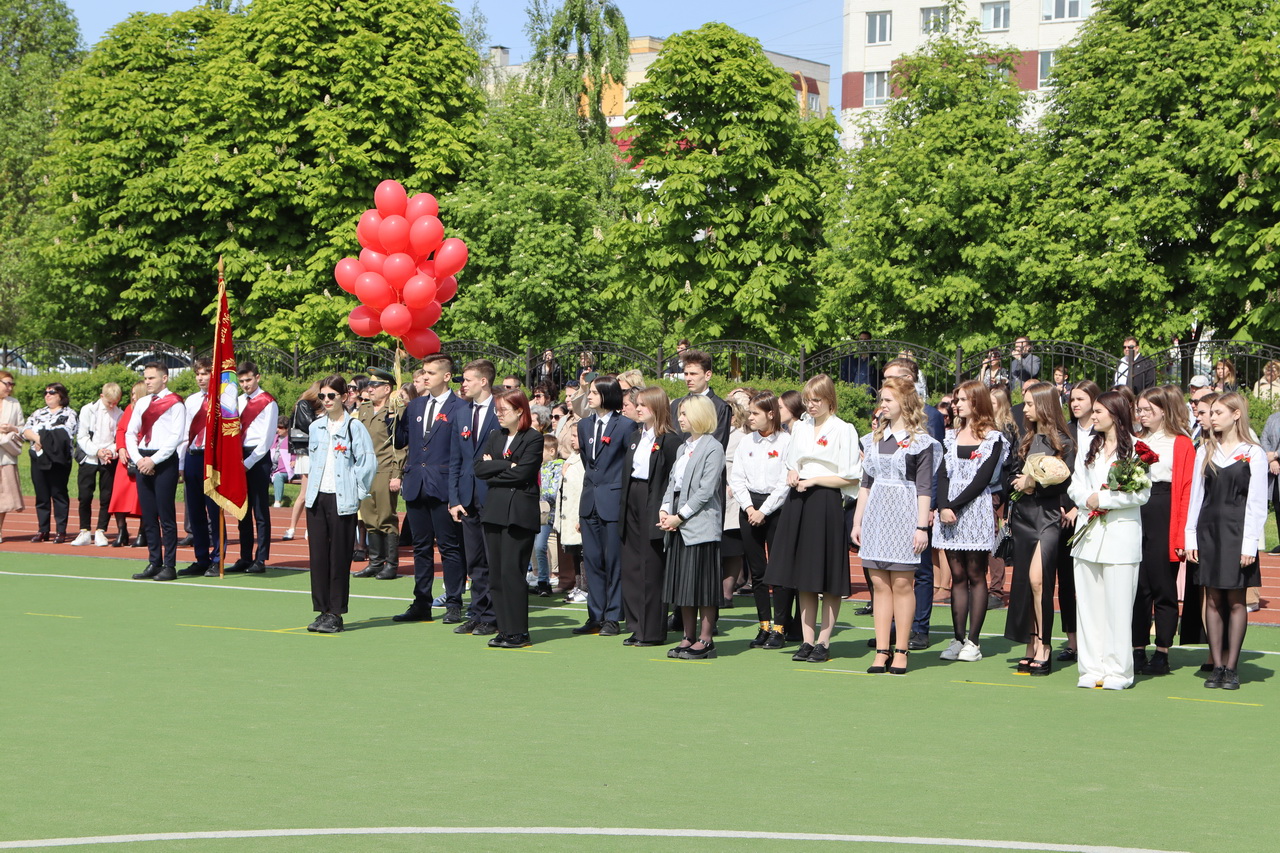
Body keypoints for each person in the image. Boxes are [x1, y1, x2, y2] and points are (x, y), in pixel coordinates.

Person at [765, 374, 862, 662]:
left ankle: (823, 641)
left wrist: (815, 480)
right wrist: (793, 472)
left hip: (825, 501)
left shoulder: (843, 429)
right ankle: (807, 641)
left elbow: (850, 474)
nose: (810, 406)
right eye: (807, 400)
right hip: (799, 500)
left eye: (816, 400)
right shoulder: (801, 429)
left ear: (830, 400)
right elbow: (791, 462)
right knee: (803, 576)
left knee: (828, 575)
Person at [1068, 390, 1151, 690]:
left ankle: (1118, 672)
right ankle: (1091, 668)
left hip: (1120, 537)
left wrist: (1103, 498)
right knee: (1089, 607)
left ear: (1114, 414)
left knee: (1118, 607)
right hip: (1088, 534)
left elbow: (1141, 493)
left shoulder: (1138, 449)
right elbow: (1075, 483)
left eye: (1099, 411)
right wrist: (1087, 499)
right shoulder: (1089, 446)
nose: (1093, 416)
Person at [853, 376, 936, 675]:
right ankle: (881, 650)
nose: (883, 405)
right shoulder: (872, 438)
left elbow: (924, 487)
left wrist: (921, 527)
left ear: (904, 403)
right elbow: (866, 483)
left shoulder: (920, 442)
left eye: (888, 400)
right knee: (878, 584)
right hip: (876, 514)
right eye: (882, 400)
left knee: (902, 583)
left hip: (904, 514)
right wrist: (857, 521)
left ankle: (901, 651)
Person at [1185, 392, 1267, 690]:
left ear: (1235, 415)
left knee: (1235, 600)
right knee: (1212, 597)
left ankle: (1232, 668)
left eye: (1218, 412)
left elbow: (1257, 503)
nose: (1211, 417)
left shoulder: (1252, 452)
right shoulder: (1205, 450)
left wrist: (1249, 544)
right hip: (1208, 530)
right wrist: (1190, 536)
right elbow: (1197, 497)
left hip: (1236, 531)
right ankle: (1216, 665)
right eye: (1212, 412)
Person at [1003, 382, 1075, 676]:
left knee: (1039, 580)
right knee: (1024, 583)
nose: (1025, 409)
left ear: (1045, 405)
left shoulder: (1065, 443)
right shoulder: (1024, 439)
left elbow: (1065, 484)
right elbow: (1008, 476)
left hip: (1047, 517)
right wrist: (1018, 483)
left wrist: (1033, 484)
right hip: (1022, 517)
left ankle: (1045, 645)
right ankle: (1030, 645)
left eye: (1030, 404)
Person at [394, 353, 470, 623]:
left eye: (431, 373)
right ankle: (421, 602)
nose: (425, 377)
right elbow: (402, 441)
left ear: (446, 377)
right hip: (416, 484)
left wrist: (458, 493)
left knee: (449, 547)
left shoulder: (460, 408)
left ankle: (453, 601)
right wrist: (394, 415)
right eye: (423, 372)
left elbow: (462, 452)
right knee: (420, 547)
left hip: (444, 486)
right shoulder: (414, 407)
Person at [935, 381, 1004, 663]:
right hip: (949, 512)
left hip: (974, 509)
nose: (957, 405)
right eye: (956, 400)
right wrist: (942, 506)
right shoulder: (950, 436)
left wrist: (954, 505)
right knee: (957, 575)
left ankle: (973, 642)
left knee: (976, 574)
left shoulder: (993, 438)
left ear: (977, 402)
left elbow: (982, 479)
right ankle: (958, 637)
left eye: (962, 400)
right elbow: (942, 475)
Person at [304, 375, 377, 633]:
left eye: (331, 396)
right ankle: (322, 610)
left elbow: (367, 463)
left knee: (338, 558)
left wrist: (357, 491)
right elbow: (313, 464)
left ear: (344, 397)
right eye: (322, 396)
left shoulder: (353, 427)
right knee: (319, 557)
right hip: (317, 498)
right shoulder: (316, 427)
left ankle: (336, 612)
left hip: (342, 499)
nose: (326, 401)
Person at [1132, 385, 1196, 675]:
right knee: (1137, 584)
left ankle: (1162, 650)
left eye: (1148, 410)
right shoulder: (1135, 439)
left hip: (1165, 508)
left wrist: (1181, 534)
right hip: (1137, 507)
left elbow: (1186, 491)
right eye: (1140, 409)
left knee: (1162, 584)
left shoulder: (1180, 442)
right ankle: (1136, 648)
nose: (1142, 414)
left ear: (1163, 410)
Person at [882, 357, 944, 651]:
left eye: (893, 378)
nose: (886, 385)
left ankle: (919, 627)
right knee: (889, 569)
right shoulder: (882, 419)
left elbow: (932, 468)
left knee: (918, 568)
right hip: (888, 504)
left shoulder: (930, 416)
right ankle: (892, 628)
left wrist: (929, 507)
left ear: (909, 380)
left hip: (915, 503)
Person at [659, 395, 727, 659]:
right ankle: (687, 637)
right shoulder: (682, 447)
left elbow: (706, 491)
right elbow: (672, 484)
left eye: (685, 413)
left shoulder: (713, 447)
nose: (680, 418)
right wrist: (666, 509)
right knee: (682, 585)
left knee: (703, 585)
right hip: (679, 523)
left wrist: (679, 516)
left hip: (699, 527)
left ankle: (706, 639)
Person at [475, 388, 544, 648]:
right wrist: (506, 465)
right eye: (497, 410)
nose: (499, 415)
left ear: (519, 410)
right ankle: (504, 629)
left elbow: (523, 474)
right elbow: (479, 469)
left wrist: (497, 465)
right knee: (496, 575)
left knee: (512, 573)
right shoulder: (495, 436)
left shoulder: (533, 438)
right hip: (494, 512)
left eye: (504, 410)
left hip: (518, 514)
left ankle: (518, 631)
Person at [573, 375, 636, 636]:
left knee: (614, 562)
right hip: (590, 502)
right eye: (590, 392)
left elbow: (627, 466)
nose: (589, 396)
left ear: (608, 396)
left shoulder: (626, 426)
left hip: (613, 501)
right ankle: (595, 615)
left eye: (595, 393)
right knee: (592, 561)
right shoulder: (584, 425)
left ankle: (612, 616)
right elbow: (589, 464)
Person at [619, 386, 680, 647]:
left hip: (654, 501)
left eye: (644, 404)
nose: (638, 408)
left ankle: (651, 630)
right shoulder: (634, 436)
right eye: (637, 404)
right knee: (631, 564)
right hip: (632, 497)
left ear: (656, 407)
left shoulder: (669, 439)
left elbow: (672, 478)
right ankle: (636, 626)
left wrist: (666, 509)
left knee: (651, 567)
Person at [729, 391, 791, 648]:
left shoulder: (786, 441)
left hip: (775, 509)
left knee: (779, 570)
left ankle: (780, 626)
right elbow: (737, 477)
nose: (750, 417)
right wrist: (748, 507)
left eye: (755, 413)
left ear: (771, 414)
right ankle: (763, 624)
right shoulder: (746, 442)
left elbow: (784, 482)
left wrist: (764, 510)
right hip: (749, 507)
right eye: (750, 412)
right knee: (758, 571)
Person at [449, 358, 502, 635]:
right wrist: (453, 498)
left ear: (484, 381)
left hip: (493, 494)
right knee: (475, 560)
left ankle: (493, 615)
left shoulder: (501, 409)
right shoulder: (461, 413)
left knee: (494, 558)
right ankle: (477, 612)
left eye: (468, 379)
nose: (463, 384)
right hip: (467, 496)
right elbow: (456, 459)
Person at [1055, 379, 1102, 661]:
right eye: (1072, 399)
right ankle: (1072, 641)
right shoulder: (1064, 433)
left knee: (1093, 580)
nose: (1075, 404)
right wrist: (1064, 506)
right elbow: (1058, 472)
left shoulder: (1103, 432)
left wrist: (1079, 508)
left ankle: (1094, 639)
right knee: (1067, 580)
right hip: (1064, 515)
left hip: (1093, 513)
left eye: (1081, 399)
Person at [125, 363, 185, 581]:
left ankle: (169, 565)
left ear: (165, 378)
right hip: (143, 459)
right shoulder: (141, 403)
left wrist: (154, 460)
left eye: (152, 378)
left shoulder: (176, 403)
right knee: (148, 515)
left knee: (165, 515)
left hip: (164, 461)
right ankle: (153, 561)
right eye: (146, 378)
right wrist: (139, 458)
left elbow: (176, 436)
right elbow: (130, 433)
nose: (148, 381)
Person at [352, 367, 405, 581]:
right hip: (365, 471)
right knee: (369, 517)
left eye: (374, 386)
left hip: (385, 468)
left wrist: (396, 473)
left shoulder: (395, 410)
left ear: (386, 388)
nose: (369, 389)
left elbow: (400, 445)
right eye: (369, 385)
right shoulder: (364, 409)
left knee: (385, 517)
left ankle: (391, 564)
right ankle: (375, 562)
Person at [229, 361, 277, 574]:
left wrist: (247, 464)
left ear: (257, 377)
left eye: (248, 380)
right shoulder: (237, 401)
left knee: (259, 511)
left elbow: (266, 440)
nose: (245, 384)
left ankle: (261, 558)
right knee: (242, 510)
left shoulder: (268, 402)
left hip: (257, 459)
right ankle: (245, 556)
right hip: (239, 457)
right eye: (241, 381)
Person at [177, 359, 221, 576]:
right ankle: (201, 558)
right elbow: (185, 433)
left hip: (212, 458)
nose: (201, 378)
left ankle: (217, 558)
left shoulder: (223, 399)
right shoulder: (191, 401)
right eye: (198, 374)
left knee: (214, 509)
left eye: (205, 373)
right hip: (193, 456)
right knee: (195, 511)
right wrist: (182, 463)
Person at [23, 382, 77, 543]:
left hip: (58, 460)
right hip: (38, 456)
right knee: (41, 494)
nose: (47, 395)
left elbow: (64, 434)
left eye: (52, 392)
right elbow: (26, 430)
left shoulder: (69, 413)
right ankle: (43, 529)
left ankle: (61, 530)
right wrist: (41, 439)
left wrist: (40, 438)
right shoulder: (38, 413)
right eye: (45, 392)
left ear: (61, 395)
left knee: (58, 493)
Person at [72, 382, 123, 547]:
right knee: (85, 495)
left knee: (106, 495)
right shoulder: (88, 410)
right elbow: (82, 436)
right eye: (110, 402)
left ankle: (101, 530)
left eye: (115, 402)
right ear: (102, 397)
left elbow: (118, 438)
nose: (112, 406)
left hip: (108, 459)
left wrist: (110, 452)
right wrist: (96, 451)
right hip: (90, 457)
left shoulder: (119, 413)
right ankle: (84, 530)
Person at [107, 382, 144, 547]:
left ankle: (143, 533)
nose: (133, 396)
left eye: (136, 393)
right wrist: (121, 448)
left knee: (141, 499)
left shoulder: (149, 408)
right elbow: (121, 430)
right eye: (132, 393)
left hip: (141, 457)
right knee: (119, 496)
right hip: (125, 460)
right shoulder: (130, 408)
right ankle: (122, 531)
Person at [283, 381, 321, 541]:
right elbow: (309, 426)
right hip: (306, 452)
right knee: (305, 493)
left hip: (312, 452)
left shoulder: (311, 406)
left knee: (313, 493)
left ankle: (303, 527)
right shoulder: (304, 404)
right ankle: (292, 527)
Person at [669, 349, 731, 446]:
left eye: (693, 374)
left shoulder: (720, 407)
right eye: (686, 374)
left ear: (708, 375)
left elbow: (718, 446)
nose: (688, 379)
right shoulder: (676, 404)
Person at [531, 433, 563, 596]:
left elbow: (552, 491)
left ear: (551, 451)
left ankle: (545, 581)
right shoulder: (538, 467)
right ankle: (539, 577)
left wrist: (538, 495)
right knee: (534, 546)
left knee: (541, 546)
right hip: (536, 512)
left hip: (548, 514)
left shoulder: (558, 467)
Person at [0, 370, 24, 542]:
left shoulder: (14, 404)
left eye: (12, 384)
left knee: (4, 495)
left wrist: (12, 429)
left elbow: (22, 428)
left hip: (6, 454)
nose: (10, 387)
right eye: (7, 383)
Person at [270, 416, 294, 508]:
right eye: (277, 427)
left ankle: (277, 502)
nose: (277, 430)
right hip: (273, 468)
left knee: (278, 476)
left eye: (280, 427)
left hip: (286, 470)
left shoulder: (292, 439)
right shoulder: (274, 439)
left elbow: (296, 453)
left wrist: (294, 461)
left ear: (287, 428)